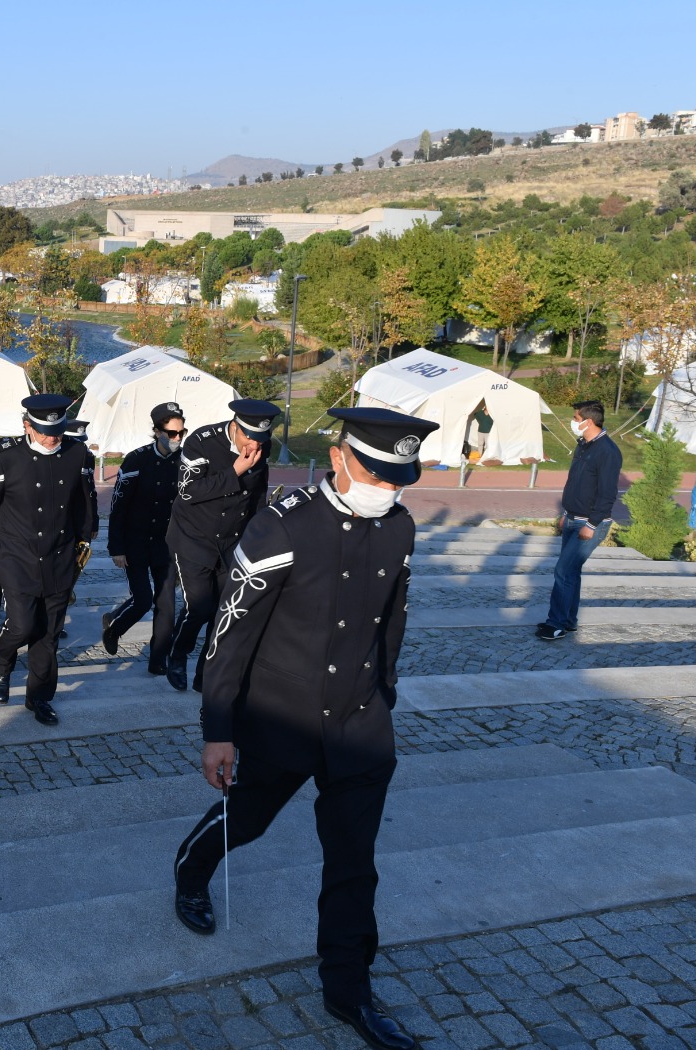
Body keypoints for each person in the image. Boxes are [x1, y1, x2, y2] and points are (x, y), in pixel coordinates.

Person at [171, 407, 438, 1050]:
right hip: (282, 716)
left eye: (399, 479)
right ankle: (191, 868)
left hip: (359, 723)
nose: (388, 489)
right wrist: (219, 728)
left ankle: (349, 991)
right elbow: (230, 633)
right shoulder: (283, 526)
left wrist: (385, 693)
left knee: (354, 863)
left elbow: (390, 618)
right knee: (251, 820)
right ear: (341, 456)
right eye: (377, 473)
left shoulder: (399, 527)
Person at [0, 394, 97, 725]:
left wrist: (86, 536)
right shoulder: (2, 462)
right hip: (15, 556)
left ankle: (38, 697)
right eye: (44, 431)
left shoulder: (78, 454)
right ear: (27, 426)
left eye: (58, 430)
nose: (53, 437)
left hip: (59, 556)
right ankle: (1, 662)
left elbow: (85, 498)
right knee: (24, 624)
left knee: (49, 634)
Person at [165, 398, 281, 693]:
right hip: (194, 538)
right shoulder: (201, 442)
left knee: (223, 612)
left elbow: (258, 493)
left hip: (231, 541)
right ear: (235, 427)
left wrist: (258, 536)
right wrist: (236, 471)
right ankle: (177, 656)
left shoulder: (260, 447)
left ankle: (207, 672)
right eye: (250, 439)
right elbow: (187, 491)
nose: (254, 447)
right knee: (199, 608)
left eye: (261, 441)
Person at [102, 402, 185, 673]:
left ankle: (158, 660)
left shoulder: (184, 461)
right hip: (135, 542)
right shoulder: (136, 459)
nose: (177, 439)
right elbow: (118, 507)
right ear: (156, 431)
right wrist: (117, 547)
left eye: (180, 433)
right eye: (171, 433)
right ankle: (114, 627)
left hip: (166, 544)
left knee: (167, 605)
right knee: (142, 600)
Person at [539, 399, 621, 641]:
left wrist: (592, 525)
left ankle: (555, 624)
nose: (572, 422)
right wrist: (567, 514)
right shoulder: (583, 445)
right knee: (571, 573)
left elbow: (607, 494)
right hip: (573, 519)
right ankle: (568, 621)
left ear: (589, 421)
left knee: (563, 571)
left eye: (576, 418)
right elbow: (576, 484)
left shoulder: (608, 452)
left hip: (591, 524)